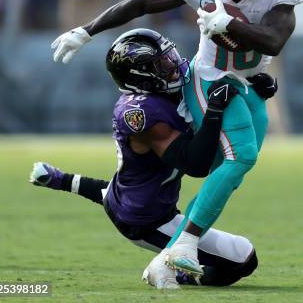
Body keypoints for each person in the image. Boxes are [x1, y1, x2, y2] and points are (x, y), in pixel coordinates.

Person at [50, 0, 303, 279]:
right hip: (211, 77)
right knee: (240, 157)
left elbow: (275, 41)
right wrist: (88, 30)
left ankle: (166, 258)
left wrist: (229, 24)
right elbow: (140, 3)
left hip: (249, 80)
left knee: (230, 169)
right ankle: (184, 243)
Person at [34, 28, 277, 288]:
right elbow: (196, 164)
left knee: (120, 191)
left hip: (131, 191)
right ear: (142, 77)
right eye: (162, 64)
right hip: (146, 219)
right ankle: (177, 273)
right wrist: (215, 110)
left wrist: (252, 90)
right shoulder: (140, 112)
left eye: (170, 56)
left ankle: (57, 179)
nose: (173, 65)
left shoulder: (165, 92)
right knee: (243, 259)